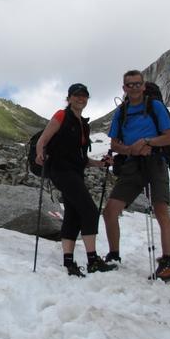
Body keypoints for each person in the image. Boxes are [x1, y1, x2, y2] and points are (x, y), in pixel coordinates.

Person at [35, 83, 116, 277]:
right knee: (89, 211)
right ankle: (92, 260)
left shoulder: (83, 125)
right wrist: (40, 154)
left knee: (73, 213)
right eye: (77, 95)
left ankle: (69, 261)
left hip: (75, 172)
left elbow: (81, 158)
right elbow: (43, 140)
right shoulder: (61, 116)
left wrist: (99, 164)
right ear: (69, 98)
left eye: (84, 96)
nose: (81, 99)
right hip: (61, 171)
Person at [102, 70, 170, 281]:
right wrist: (131, 150)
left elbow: (168, 138)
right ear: (124, 88)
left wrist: (146, 142)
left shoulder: (155, 106)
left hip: (155, 161)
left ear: (143, 86)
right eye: (129, 85)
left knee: (161, 210)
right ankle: (114, 254)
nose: (134, 87)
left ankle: (166, 263)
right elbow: (114, 144)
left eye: (137, 84)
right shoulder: (122, 112)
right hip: (133, 164)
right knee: (110, 211)